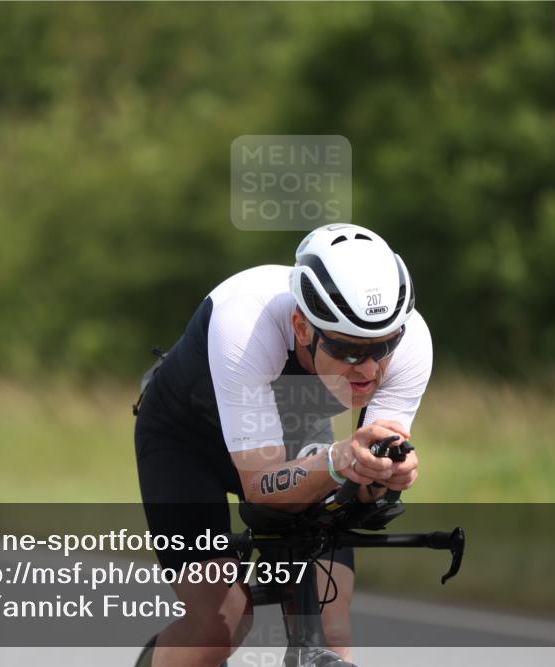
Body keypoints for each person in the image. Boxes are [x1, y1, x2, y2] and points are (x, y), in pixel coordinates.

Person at [134, 223, 432, 666]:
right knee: (220, 624)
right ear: (302, 327)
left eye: (383, 347)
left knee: (331, 627)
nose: (370, 369)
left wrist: (383, 476)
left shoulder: (411, 341)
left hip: (295, 440)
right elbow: (261, 488)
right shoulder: (245, 321)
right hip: (189, 441)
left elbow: (367, 485)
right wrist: (339, 461)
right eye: (350, 352)